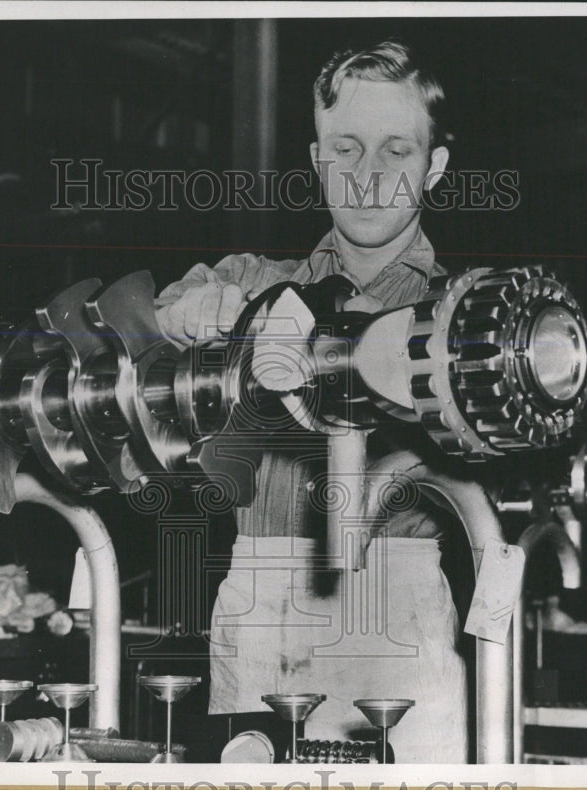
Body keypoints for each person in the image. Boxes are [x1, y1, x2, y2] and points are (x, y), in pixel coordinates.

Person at [154, 40, 467, 763]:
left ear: (435, 168)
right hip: (262, 608)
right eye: (346, 148)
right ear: (317, 158)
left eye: (397, 150)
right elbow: (153, 319)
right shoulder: (257, 280)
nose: (368, 177)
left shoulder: (456, 312)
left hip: (397, 609)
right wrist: (191, 312)